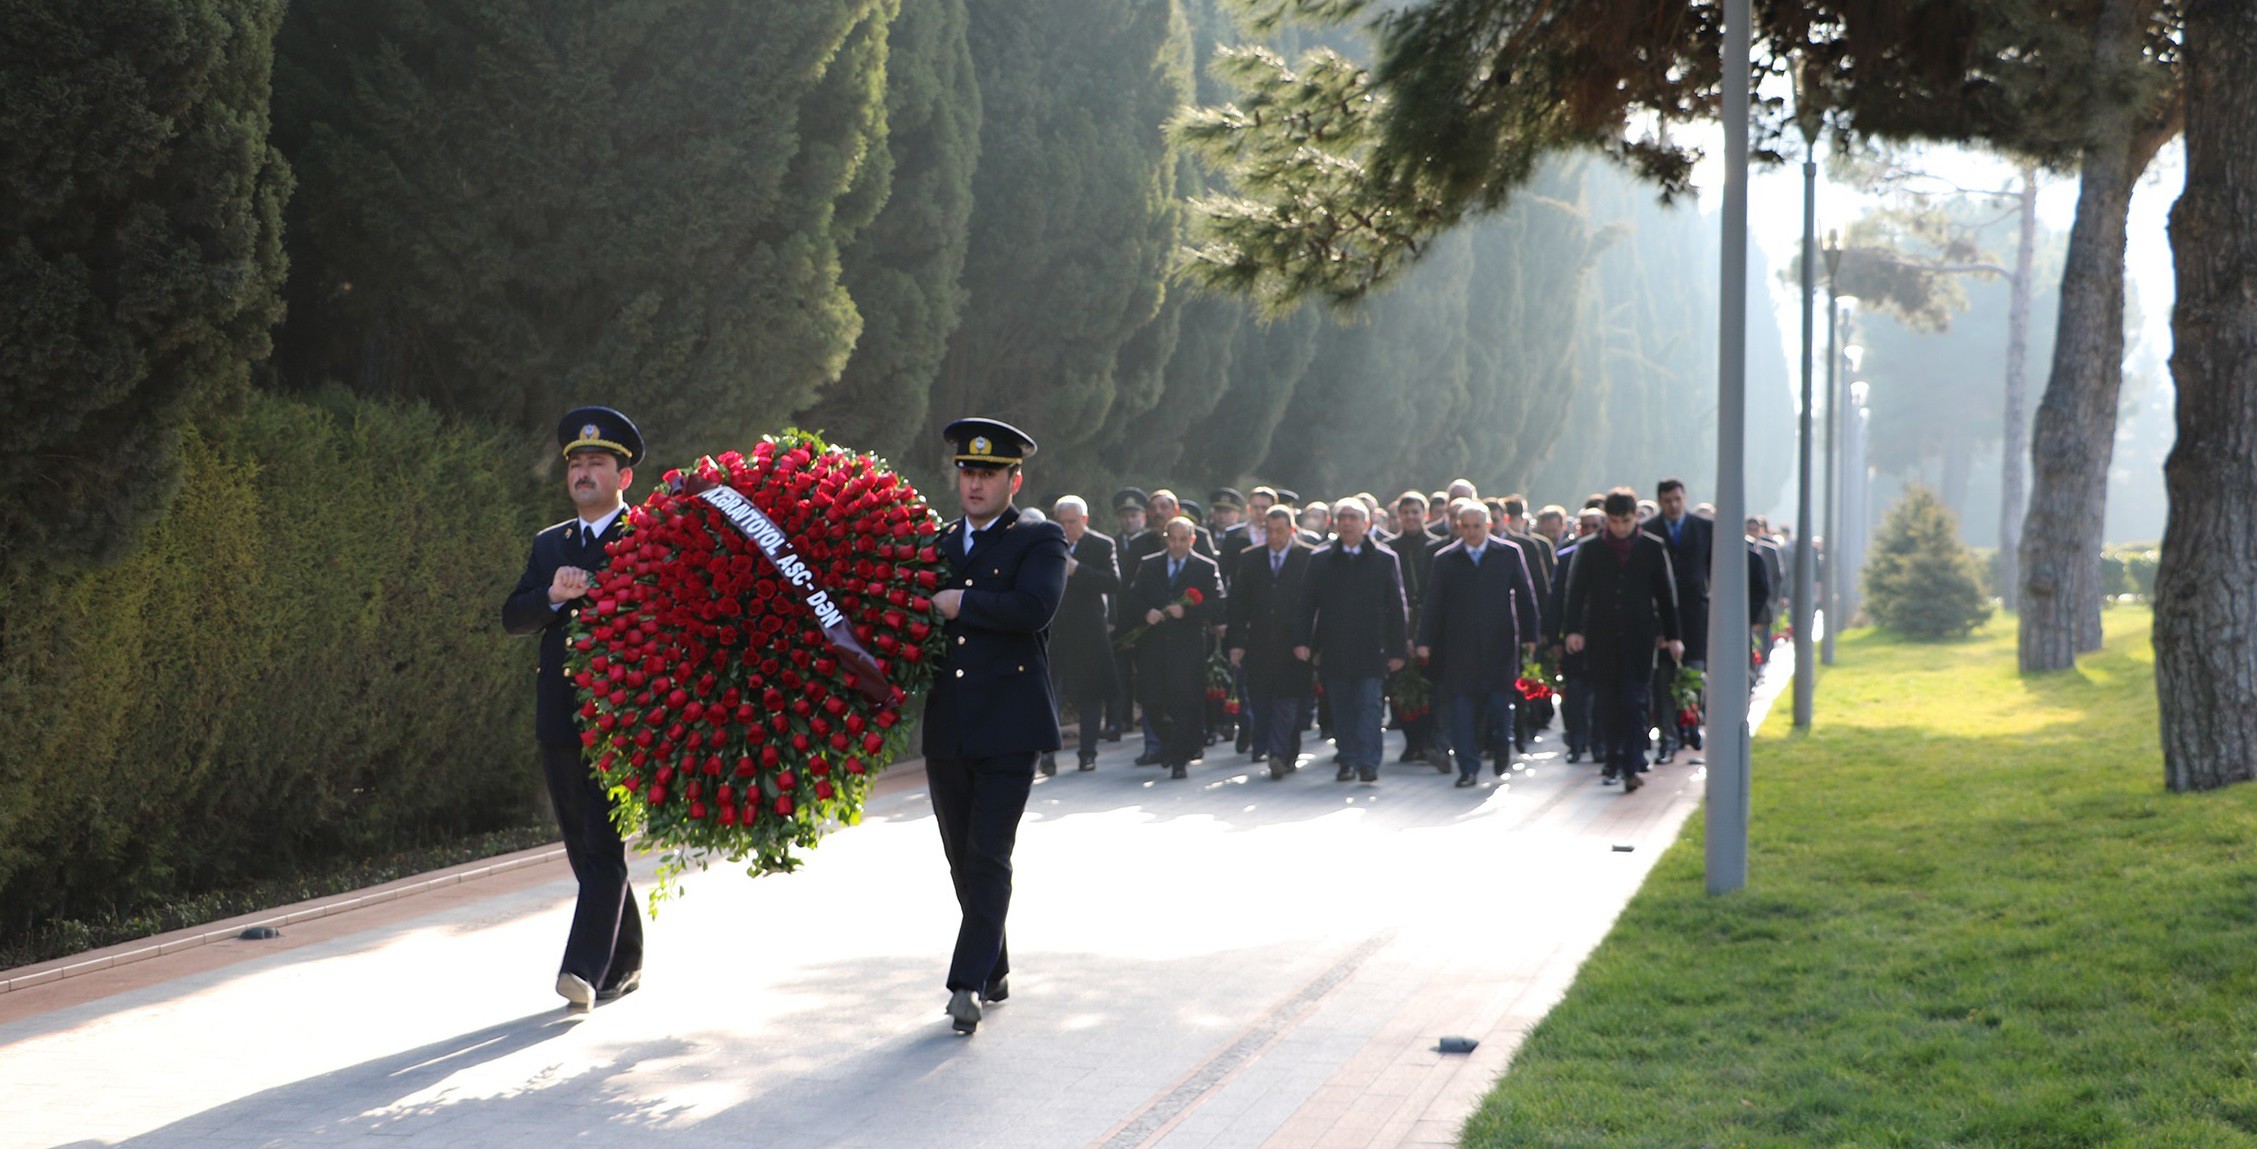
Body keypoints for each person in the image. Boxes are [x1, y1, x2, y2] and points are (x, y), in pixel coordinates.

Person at [920, 418, 1068, 1035]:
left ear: (1015, 479)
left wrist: (965, 604)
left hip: (1011, 722)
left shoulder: (1039, 538)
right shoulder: (941, 541)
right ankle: (996, 965)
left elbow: (1037, 607)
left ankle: (967, 982)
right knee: (961, 857)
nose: (975, 482)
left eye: (988, 473)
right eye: (967, 471)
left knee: (988, 854)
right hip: (950, 725)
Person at [501, 406, 648, 1010]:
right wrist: (553, 596)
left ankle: (584, 972)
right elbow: (513, 616)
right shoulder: (549, 544)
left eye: (599, 463)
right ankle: (628, 959)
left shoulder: (647, 537)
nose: (585, 472)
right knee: (581, 845)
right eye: (577, 463)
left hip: (621, 717)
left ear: (623, 477)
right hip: (560, 714)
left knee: (604, 846)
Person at [1560, 488, 1682, 794]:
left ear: (1635, 518)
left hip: (1639, 639)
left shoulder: (1652, 548)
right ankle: (1612, 759)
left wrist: (1673, 636)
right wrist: (1572, 631)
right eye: (1613, 521)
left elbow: (1666, 596)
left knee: (1635, 701)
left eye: (1625, 521)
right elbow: (1575, 594)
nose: (1619, 528)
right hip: (1601, 639)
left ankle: (1631, 763)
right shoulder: (1589, 549)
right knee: (1607, 704)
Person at [1421, 499, 1542, 787]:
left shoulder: (1508, 554)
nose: (1473, 532)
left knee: (1500, 709)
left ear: (1488, 526)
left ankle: (1502, 747)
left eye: (1478, 526)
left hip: (1499, 647)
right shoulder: (1445, 559)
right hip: (1460, 649)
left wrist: (1530, 637)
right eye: (1467, 527)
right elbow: (1433, 604)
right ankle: (1468, 768)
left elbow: (1525, 597)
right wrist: (1424, 640)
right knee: (1462, 712)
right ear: (1457, 527)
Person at [1296, 499, 1409, 783]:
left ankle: (1368, 762)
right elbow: (1307, 604)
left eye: (1353, 517)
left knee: (1369, 707)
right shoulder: (1321, 560)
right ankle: (1347, 759)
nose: (1347, 523)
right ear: (1334, 523)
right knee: (1342, 709)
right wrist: (1304, 641)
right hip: (1335, 648)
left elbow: (1397, 607)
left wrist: (1398, 649)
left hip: (1372, 648)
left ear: (1366, 523)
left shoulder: (1384, 558)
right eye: (1342, 517)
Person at [1130, 517, 1223, 779]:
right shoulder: (1150, 565)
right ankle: (1172, 746)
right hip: (1154, 646)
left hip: (1187, 648)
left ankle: (1179, 760)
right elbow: (1132, 598)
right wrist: (1145, 612)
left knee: (1184, 705)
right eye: (1173, 539)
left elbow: (1218, 605)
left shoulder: (1205, 568)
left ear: (1192, 540)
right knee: (1151, 702)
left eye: (1183, 539)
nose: (1177, 544)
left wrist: (1188, 611)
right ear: (1166, 538)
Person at [1228, 505, 1314, 779]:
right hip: (1261, 643)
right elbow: (1239, 605)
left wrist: (1310, 640)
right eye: (1269, 531)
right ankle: (1272, 747)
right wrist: (1237, 642)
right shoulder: (1250, 559)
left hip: (1294, 644)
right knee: (1262, 700)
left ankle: (1281, 754)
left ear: (1291, 530)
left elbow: (1314, 603)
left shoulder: (1308, 557)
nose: (1275, 537)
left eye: (1280, 531)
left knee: (1288, 700)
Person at [1046, 496, 1120, 774]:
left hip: (1089, 632)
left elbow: (1113, 583)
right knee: (1050, 693)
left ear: (1085, 520)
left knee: (1090, 695)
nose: (1066, 528)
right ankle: (1048, 754)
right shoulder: (1050, 544)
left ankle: (1088, 752)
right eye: (1061, 522)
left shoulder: (1102, 545)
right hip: (1055, 630)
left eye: (1072, 522)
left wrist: (1077, 570)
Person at [1649, 479, 1712, 763]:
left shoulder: (1704, 529)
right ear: (1660, 502)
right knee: (1664, 680)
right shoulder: (1650, 531)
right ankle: (1668, 737)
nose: (1673, 505)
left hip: (1694, 616)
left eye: (1677, 499)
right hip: (1662, 618)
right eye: (1667, 500)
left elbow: (1714, 572)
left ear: (1684, 498)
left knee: (1693, 675)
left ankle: (1690, 724)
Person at [1381, 492, 1441, 767]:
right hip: (1399, 625)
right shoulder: (1388, 547)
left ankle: (1430, 741)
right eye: (1405, 513)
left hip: (1430, 623)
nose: (1410, 517)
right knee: (1400, 688)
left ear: (1425, 514)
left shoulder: (1438, 547)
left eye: (1415, 512)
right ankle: (1412, 742)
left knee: (1431, 685)